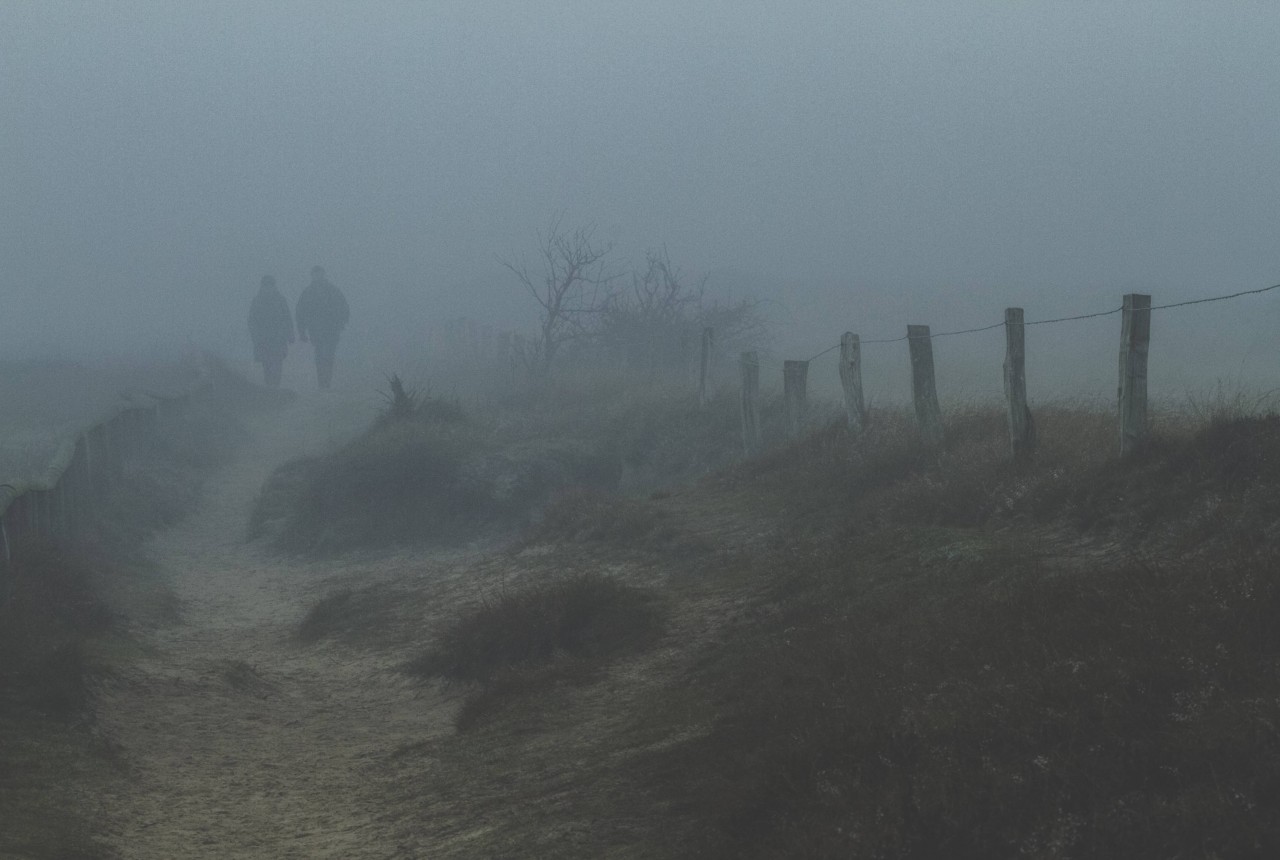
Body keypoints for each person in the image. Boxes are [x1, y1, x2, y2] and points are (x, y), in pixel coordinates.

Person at [295, 265, 350, 389]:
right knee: (320, 355)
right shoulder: (308, 293)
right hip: (316, 330)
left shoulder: (333, 291)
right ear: (312, 276)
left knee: (329, 355)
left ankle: (327, 382)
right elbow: (300, 313)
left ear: (323, 275)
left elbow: (344, 308)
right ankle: (322, 383)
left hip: (332, 329)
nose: (318, 276)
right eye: (315, 274)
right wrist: (302, 331)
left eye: (319, 274)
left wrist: (341, 323)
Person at [247, 274, 295, 388]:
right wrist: (256, 337)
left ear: (274, 286)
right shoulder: (257, 301)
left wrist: (290, 334)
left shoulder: (281, 300)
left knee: (277, 364)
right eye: (266, 285)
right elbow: (252, 321)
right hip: (263, 340)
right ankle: (270, 387)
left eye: (270, 285)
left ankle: (276, 387)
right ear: (262, 286)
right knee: (266, 365)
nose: (268, 288)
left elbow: (287, 318)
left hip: (278, 339)